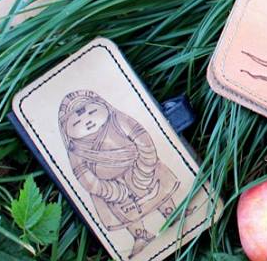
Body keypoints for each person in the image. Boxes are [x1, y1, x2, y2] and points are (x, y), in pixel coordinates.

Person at [58, 90, 179, 252]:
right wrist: (112, 192)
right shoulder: (76, 150)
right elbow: (85, 178)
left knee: (158, 193)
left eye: (92, 112)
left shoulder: (118, 120)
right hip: (110, 188)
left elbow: (144, 142)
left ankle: (173, 213)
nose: (88, 121)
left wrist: (144, 170)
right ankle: (140, 235)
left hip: (141, 168)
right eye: (77, 122)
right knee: (125, 213)